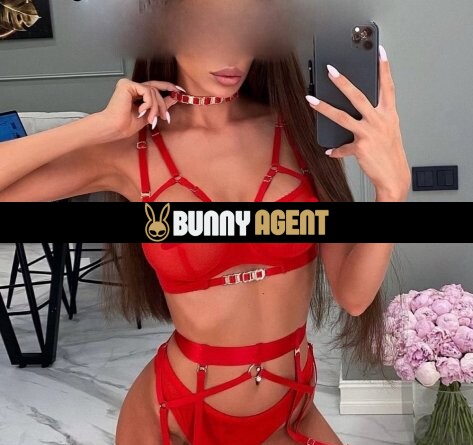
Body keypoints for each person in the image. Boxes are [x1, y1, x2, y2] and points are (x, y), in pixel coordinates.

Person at [0, 2, 410, 444]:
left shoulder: (302, 133)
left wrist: (391, 193)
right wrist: (96, 127)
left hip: (290, 410)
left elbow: (353, 296)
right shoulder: (131, 150)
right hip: (172, 416)